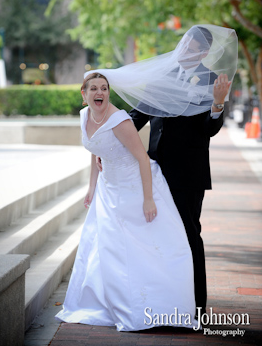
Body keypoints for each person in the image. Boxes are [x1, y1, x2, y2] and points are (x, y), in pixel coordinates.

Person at [95, 25, 236, 317]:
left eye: (191, 47)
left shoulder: (212, 81)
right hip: (155, 170)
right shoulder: (163, 77)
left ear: (204, 52)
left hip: (189, 174)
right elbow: (137, 117)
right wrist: (106, 146)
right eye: (183, 45)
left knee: (188, 233)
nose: (184, 51)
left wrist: (218, 102)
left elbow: (210, 130)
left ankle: (196, 306)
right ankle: (166, 300)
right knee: (158, 235)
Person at [55, 72, 198, 331]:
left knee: (146, 249)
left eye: (104, 88)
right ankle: (112, 303)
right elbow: (96, 148)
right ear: (83, 93)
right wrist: (91, 186)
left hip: (136, 186)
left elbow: (143, 160)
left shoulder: (119, 120)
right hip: (109, 189)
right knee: (108, 248)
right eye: (94, 88)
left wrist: (148, 199)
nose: (100, 92)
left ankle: (156, 306)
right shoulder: (84, 116)